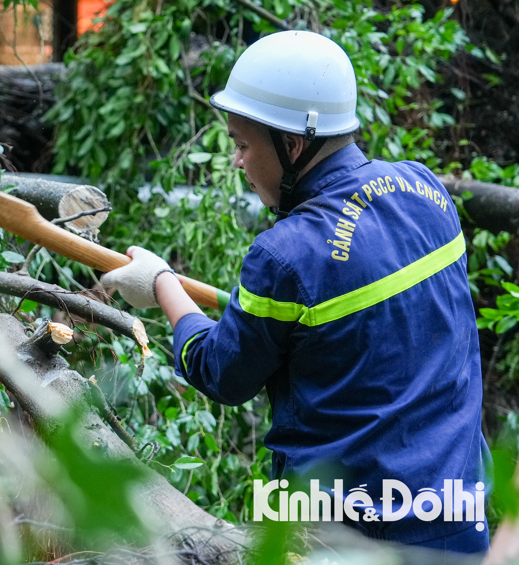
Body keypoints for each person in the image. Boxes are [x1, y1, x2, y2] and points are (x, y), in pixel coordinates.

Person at [101, 30, 489, 553]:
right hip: (456, 518)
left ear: (294, 144)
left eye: (242, 144)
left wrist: (161, 284)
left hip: (346, 537)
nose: (238, 162)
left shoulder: (287, 255)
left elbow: (221, 372)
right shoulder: (425, 190)